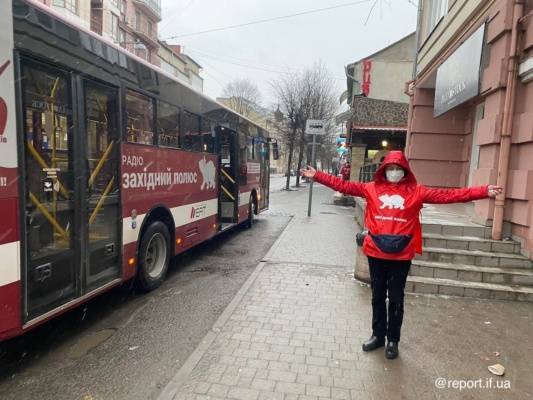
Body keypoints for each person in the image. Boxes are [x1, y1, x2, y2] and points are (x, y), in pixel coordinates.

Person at [300, 151, 502, 360]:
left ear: (404, 171)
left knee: (395, 299)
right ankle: (378, 335)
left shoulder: (416, 191)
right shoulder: (371, 189)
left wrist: (484, 191)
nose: (394, 172)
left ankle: (392, 340)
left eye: (398, 169)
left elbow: (450, 195)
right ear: (384, 170)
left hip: (401, 256)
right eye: (390, 168)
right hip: (376, 253)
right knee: (378, 297)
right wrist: (318, 176)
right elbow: (344, 186)